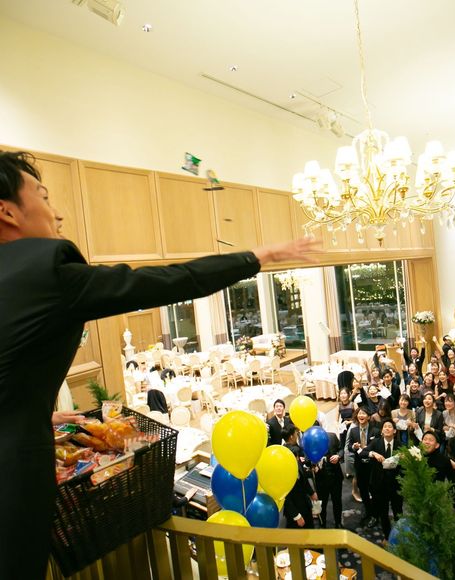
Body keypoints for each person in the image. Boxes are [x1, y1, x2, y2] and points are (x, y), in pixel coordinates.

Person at [0, 150, 320, 579]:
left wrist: (33, 409)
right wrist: (257, 256)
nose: (57, 214)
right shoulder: (47, 272)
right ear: (7, 212)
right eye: (42, 196)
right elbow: (170, 280)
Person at [361, 419, 403, 540]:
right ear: (382, 431)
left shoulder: (400, 445)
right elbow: (363, 452)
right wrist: (373, 454)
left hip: (396, 484)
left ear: (394, 431)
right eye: (385, 427)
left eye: (390, 427)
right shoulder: (376, 442)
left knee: (398, 512)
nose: (387, 428)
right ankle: (387, 536)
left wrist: (403, 458)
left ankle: (400, 537)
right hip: (379, 484)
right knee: (383, 512)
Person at [346, 407, 380, 525]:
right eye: (359, 413)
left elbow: (377, 446)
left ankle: (375, 514)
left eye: (364, 413)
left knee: (374, 490)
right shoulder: (353, 431)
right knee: (363, 489)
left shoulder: (375, 431)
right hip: (360, 465)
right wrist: (354, 447)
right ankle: (368, 510)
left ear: (369, 417)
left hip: (372, 465)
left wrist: (367, 449)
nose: (361, 415)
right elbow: (349, 446)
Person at [282, 426, 317, 529]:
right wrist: (296, 515)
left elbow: (303, 478)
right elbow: (284, 495)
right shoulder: (284, 464)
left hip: (304, 504)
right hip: (294, 511)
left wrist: (312, 493)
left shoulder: (295, 456)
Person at [312, 431, 343, 528]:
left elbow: (341, 449)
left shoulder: (332, 436)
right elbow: (307, 458)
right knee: (321, 503)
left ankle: (338, 523)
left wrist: (338, 456)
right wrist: (314, 463)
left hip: (336, 476)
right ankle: (322, 524)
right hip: (321, 478)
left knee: (337, 501)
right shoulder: (311, 441)